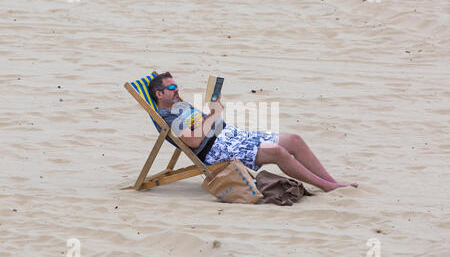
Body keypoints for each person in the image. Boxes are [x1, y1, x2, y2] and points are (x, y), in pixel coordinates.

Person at [149, 72, 358, 192]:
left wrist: (213, 108)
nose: (177, 89)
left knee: (295, 140)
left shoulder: (181, 107)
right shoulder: (168, 117)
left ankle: (332, 181)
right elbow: (194, 142)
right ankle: (326, 187)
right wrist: (213, 115)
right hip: (216, 150)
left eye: (176, 85)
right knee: (277, 152)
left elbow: (203, 123)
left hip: (229, 135)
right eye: (172, 87)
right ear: (159, 94)